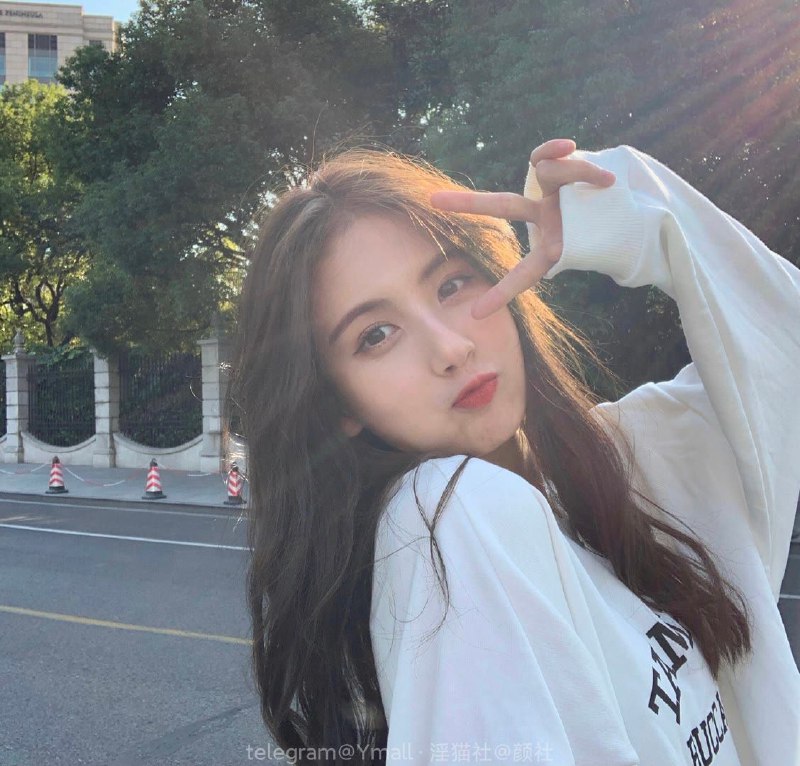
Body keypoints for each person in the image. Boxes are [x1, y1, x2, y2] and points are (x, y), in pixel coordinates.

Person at [231, 138, 800, 766]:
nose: (450, 348)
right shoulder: (448, 516)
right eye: (377, 335)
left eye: (452, 284)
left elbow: (785, 337)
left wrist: (625, 212)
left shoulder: (636, 457)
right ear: (339, 404)